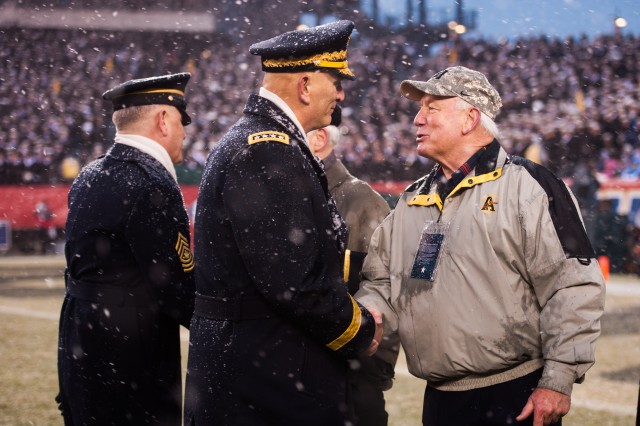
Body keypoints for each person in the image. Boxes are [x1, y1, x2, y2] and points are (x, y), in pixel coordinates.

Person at [355, 66, 606, 426]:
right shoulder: (413, 200)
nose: (416, 119)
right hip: (439, 399)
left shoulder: (531, 186)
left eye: (431, 108)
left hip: (516, 395)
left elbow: (572, 285)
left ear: (470, 118)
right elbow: (382, 283)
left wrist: (559, 378)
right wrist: (368, 314)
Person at [184, 20, 383, 426]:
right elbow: (295, 283)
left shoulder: (263, 141)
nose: (341, 94)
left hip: (254, 368)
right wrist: (360, 328)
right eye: (336, 80)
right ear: (306, 85)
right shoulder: (268, 151)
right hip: (267, 377)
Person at [57, 73, 196, 425]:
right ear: (163, 120)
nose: (184, 133)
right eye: (182, 121)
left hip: (79, 347)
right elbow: (178, 291)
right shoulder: (151, 182)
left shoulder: (89, 175)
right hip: (131, 361)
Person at [308, 106, 393, 425]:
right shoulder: (294, 192)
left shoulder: (363, 202)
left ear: (318, 139)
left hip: (350, 383)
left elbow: (386, 292)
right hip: (302, 379)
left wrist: (370, 376)